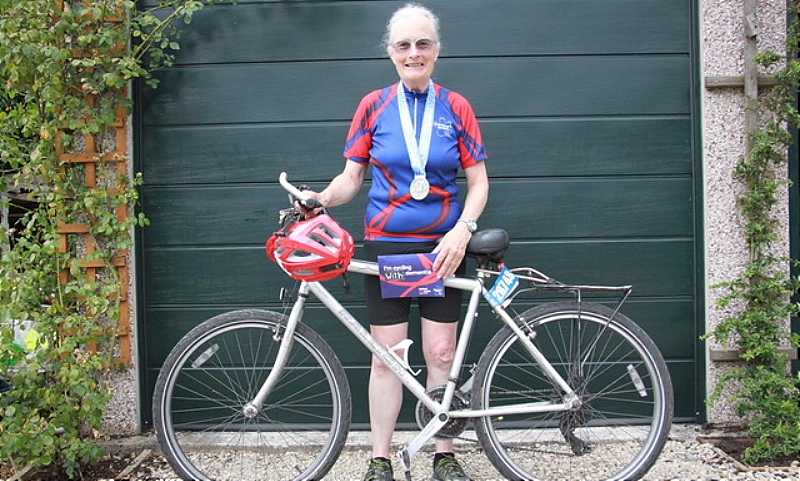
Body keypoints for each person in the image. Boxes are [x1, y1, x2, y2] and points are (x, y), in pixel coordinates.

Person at [302, 4, 488, 480]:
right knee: (388, 358)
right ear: (391, 52)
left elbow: (479, 182)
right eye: (404, 45)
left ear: (436, 50)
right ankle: (379, 458)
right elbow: (351, 177)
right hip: (387, 246)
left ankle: (444, 453)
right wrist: (320, 198)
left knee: (441, 353)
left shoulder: (458, 106)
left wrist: (462, 231)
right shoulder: (373, 105)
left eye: (422, 43)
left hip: (443, 249)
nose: (413, 53)